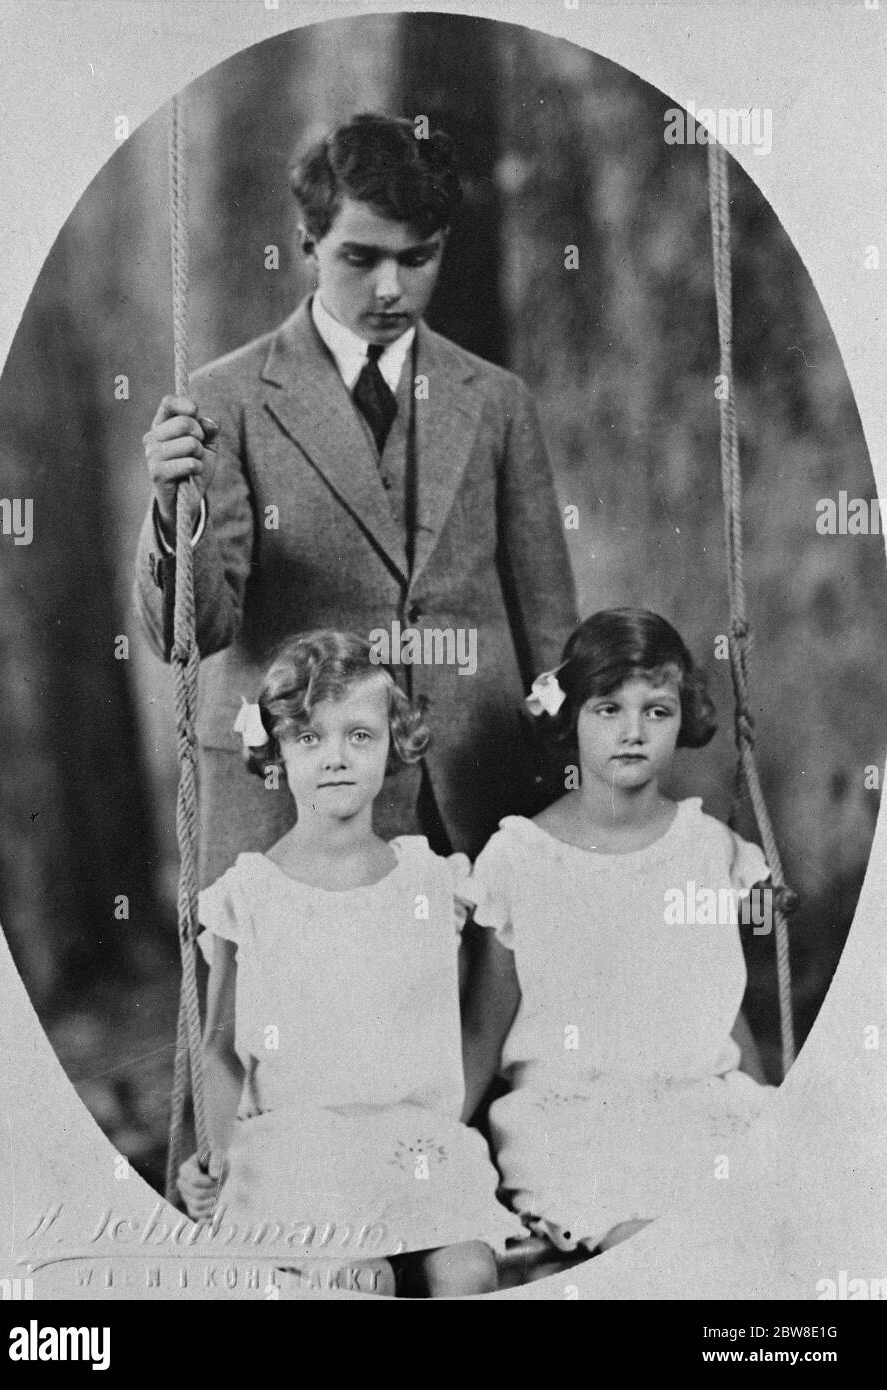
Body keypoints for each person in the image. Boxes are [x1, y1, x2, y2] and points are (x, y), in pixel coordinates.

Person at [134, 112, 577, 884]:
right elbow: (192, 633)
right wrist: (176, 509)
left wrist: (572, 777)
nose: (390, 289)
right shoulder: (223, 400)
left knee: (463, 1004)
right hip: (288, 802)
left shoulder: (498, 401)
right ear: (308, 245)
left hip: (473, 793)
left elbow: (548, 622)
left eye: (419, 259)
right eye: (360, 257)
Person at [177, 631, 524, 1298]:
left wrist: (452, 1105)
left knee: (467, 1272)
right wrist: (216, 1153)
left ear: (396, 742)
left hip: (412, 1142)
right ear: (276, 751)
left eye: (359, 736)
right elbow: (218, 1047)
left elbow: (487, 999)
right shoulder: (249, 894)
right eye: (310, 737)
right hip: (296, 1148)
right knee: (357, 1278)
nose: (335, 757)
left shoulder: (432, 881)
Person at [463, 609, 774, 1257]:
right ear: (569, 715)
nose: (633, 732)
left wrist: (772, 1107)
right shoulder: (520, 858)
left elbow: (721, 1006)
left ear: (682, 719)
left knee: (772, 1218)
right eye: (608, 709)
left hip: (693, 1108)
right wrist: (428, 1140)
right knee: (651, 1243)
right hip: (573, 1122)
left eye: (656, 711)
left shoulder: (708, 848)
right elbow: (483, 1033)